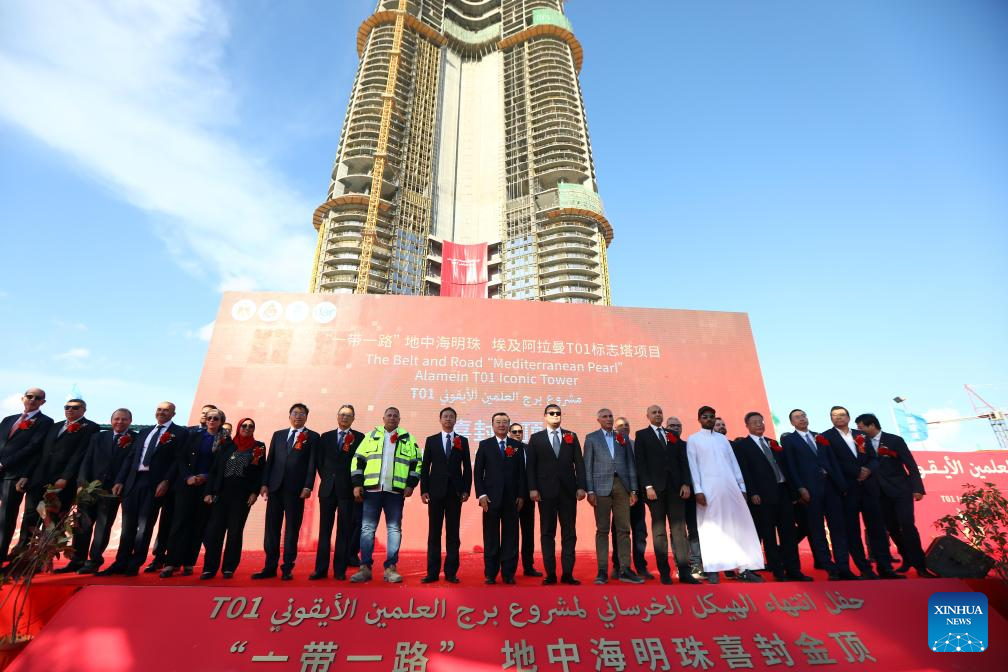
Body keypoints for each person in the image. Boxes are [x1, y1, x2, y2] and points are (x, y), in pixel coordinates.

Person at [101, 402, 189, 576]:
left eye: (166, 410)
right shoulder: (145, 432)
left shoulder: (180, 433)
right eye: (159, 409)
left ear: (173, 414)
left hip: (155, 483)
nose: (162, 412)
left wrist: (166, 481)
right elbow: (131, 457)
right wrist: (120, 480)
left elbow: (177, 460)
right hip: (134, 481)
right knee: (128, 525)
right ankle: (120, 562)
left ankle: (135, 563)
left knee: (145, 525)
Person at [686, 406, 764, 583]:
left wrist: (742, 487)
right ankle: (713, 569)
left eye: (711, 416)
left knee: (738, 528)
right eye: (705, 417)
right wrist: (698, 490)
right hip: (708, 491)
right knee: (711, 529)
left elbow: (733, 463)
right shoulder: (694, 439)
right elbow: (693, 466)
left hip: (731, 489)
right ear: (699, 419)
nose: (709, 419)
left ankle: (744, 569)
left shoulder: (722, 439)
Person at [821, 406, 900, 579]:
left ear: (848, 417)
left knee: (877, 529)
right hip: (846, 490)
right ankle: (865, 569)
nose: (838, 417)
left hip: (869, 488)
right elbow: (830, 464)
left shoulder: (861, 435)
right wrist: (855, 473)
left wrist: (868, 469)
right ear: (831, 419)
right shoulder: (825, 437)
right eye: (834, 415)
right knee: (852, 531)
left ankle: (885, 567)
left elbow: (873, 458)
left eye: (842, 414)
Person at [854, 413, 936, 578]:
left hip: (900, 491)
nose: (858, 431)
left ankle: (921, 565)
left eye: (861, 427)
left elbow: (910, 465)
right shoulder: (861, 444)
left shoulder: (894, 440)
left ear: (872, 425)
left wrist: (918, 488)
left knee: (907, 525)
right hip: (878, 493)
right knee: (892, 528)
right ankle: (907, 559)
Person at [732, 412, 810, 582]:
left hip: (783, 492)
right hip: (763, 495)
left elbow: (785, 467)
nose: (759, 424)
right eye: (754, 422)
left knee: (788, 534)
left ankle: (793, 570)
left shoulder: (772, 442)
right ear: (747, 425)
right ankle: (778, 572)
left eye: (760, 421)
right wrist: (753, 492)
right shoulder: (742, 446)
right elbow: (745, 471)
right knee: (769, 535)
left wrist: (793, 492)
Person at [18, 398, 99, 557]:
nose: (70, 410)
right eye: (67, 407)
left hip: (62, 481)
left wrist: (66, 477)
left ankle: (44, 556)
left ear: (84, 410)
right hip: (39, 478)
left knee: (53, 519)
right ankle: (22, 552)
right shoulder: (55, 425)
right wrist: (26, 475)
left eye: (75, 407)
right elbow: (40, 452)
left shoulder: (91, 427)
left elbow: (79, 454)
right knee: (30, 515)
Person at [780, 409, 856, 580]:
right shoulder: (790, 440)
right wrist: (800, 488)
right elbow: (791, 466)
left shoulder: (820, 436)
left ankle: (844, 567)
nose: (802, 419)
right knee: (817, 530)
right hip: (810, 490)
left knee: (838, 528)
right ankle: (829, 567)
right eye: (797, 417)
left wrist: (841, 484)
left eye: (803, 416)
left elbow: (833, 461)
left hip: (831, 488)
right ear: (792, 422)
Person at [349, 407, 421, 583]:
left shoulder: (408, 439)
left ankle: (390, 568)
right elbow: (357, 460)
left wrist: (411, 484)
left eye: (395, 416)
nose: (392, 418)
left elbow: (417, 463)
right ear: (383, 418)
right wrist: (357, 484)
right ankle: (365, 568)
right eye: (389, 415)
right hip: (371, 491)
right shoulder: (371, 436)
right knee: (367, 529)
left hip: (395, 492)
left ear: (399, 419)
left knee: (394, 529)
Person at [253, 403, 319, 581]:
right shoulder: (279, 434)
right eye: (295, 413)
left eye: (302, 413)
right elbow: (270, 461)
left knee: (292, 529)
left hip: (296, 490)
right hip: (275, 488)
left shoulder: (313, 437)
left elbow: (312, 464)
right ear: (289, 416)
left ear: (306, 417)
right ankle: (270, 566)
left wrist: (308, 486)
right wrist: (264, 483)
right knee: (271, 529)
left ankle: (287, 567)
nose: (298, 416)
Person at [160, 408, 228, 577]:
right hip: (187, 484)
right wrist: (188, 477)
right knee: (179, 523)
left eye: (216, 418)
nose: (211, 420)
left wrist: (205, 477)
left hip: (206, 487)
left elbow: (222, 465)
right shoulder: (194, 435)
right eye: (209, 417)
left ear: (221, 422)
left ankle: (189, 562)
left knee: (199, 524)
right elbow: (181, 457)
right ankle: (171, 562)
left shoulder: (225, 441)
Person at [635, 405, 698, 584]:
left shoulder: (672, 435)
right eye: (654, 412)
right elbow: (641, 464)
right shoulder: (642, 435)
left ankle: (685, 571)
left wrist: (686, 483)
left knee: (679, 530)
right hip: (655, 490)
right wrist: (648, 486)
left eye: (660, 412)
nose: (658, 415)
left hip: (676, 489)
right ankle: (664, 572)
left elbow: (682, 461)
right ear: (647, 416)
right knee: (659, 531)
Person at [527, 404, 586, 585]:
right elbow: (531, 466)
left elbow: (579, 463)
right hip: (545, 493)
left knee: (569, 533)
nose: (555, 416)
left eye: (558, 413)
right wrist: (533, 488)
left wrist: (581, 486)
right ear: (545, 416)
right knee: (547, 533)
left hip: (568, 492)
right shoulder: (536, 438)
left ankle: (567, 573)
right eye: (551, 413)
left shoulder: (571, 436)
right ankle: (550, 573)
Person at [73, 408, 137, 574]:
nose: (120, 422)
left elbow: (130, 464)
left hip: (112, 490)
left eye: (124, 419)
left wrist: (120, 482)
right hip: (90, 487)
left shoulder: (135, 439)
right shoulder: (98, 437)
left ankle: (94, 561)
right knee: (82, 525)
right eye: (117, 419)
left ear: (130, 421)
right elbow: (87, 460)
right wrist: (82, 483)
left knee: (103, 527)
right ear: (111, 420)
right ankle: (77, 559)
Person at [584, 408, 643, 584]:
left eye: (610, 416)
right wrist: (590, 491)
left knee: (624, 529)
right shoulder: (591, 438)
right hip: (600, 488)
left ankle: (625, 569)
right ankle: (602, 570)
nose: (609, 419)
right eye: (605, 416)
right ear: (598, 420)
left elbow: (631, 465)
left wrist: (634, 490)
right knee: (602, 530)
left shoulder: (622, 437)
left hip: (622, 486)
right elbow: (588, 466)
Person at [201, 416, 265, 579]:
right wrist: (208, 492)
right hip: (221, 493)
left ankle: (229, 567)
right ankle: (209, 568)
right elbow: (215, 471)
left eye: (251, 426)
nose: (247, 428)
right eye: (244, 426)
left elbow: (260, 472)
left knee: (235, 532)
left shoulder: (258, 446)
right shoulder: (227, 445)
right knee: (215, 531)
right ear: (238, 427)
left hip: (242, 495)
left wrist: (254, 492)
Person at [0, 388, 54, 566]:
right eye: (29, 396)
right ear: (23, 398)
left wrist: (4, 463)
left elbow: (33, 447)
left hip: (16, 474)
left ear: (42, 402)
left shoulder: (45, 422)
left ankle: (2, 553)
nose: (32, 400)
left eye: (37, 398)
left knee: (6, 516)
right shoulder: (8, 419)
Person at [312, 404, 364, 580]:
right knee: (324, 531)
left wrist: (356, 484)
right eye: (342, 414)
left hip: (347, 491)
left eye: (349, 415)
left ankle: (340, 570)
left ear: (353, 418)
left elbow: (361, 463)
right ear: (337, 416)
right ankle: (320, 569)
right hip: (327, 490)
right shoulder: (325, 437)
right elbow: (319, 462)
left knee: (344, 531)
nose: (345, 417)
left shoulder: (360, 438)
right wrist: (328, 478)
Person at [420, 407, 472, 583]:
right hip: (435, 492)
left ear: (455, 420)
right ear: (440, 419)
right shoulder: (432, 440)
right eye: (445, 416)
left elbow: (467, 468)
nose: (448, 419)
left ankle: (451, 572)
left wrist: (466, 490)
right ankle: (432, 573)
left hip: (455, 493)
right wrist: (424, 490)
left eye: (451, 417)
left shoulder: (462, 441)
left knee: (453, 533)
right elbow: (425, 467)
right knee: (434, 533)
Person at [474, 412, 527, 584]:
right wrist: (481, 494)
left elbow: (521, 473)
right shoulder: (485, 445)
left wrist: (521, 495)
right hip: (490, 499)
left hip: (512, 499)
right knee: (491, 536)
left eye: (505, 422)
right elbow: (478, 472)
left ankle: (508, 573)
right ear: (492, 425)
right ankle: (490, 573)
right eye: (498, 422)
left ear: (509, 425)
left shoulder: (516, 446)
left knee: (511, 536)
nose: (501, 425)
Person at [611, 416, 650, 579]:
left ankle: (641, 566)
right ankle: (618, 566)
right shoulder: (611, 445)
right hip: (619, 494)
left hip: (637, 493)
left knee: (640, 531)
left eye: (627, 425)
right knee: (619, 531)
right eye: (621, 425)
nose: (625, 427)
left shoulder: (636, 445)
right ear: (615, 429)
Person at [667, 416, 703, 580]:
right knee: (677, 531)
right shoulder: (663, 446)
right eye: (671, 425)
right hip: (673, 495)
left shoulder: (688, 446)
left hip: (691, 493)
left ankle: (696, 564)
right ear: (666, 428)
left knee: (694, 529)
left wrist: (688, 485)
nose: (675, 428)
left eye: (678, 425)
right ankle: (680, 564)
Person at [510, 422, 542, 577]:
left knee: (528, 533)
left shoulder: (529, 449)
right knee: (512, 533)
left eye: (520, 431)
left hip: (528, 497)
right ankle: (510, 567)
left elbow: (536, 470)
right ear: (509, 433)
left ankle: (528, 566)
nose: (518, 434)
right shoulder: (505, 448)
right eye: (514, 431)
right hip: (511, 497)